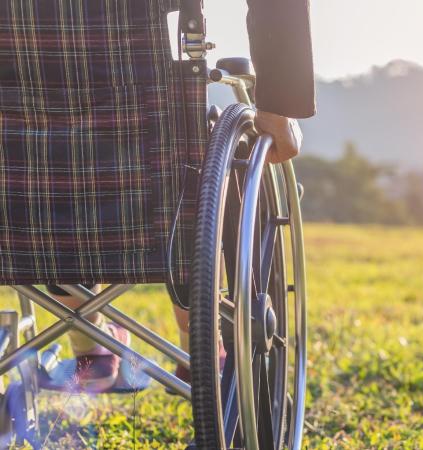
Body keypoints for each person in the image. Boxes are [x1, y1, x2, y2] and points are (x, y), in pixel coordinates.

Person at [51, 0, 315, 391]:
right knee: (184, 158)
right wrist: (278, 101)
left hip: (26, 171)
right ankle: (201, 348)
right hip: (153, 143)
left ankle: (90, 346)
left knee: (46, 163)